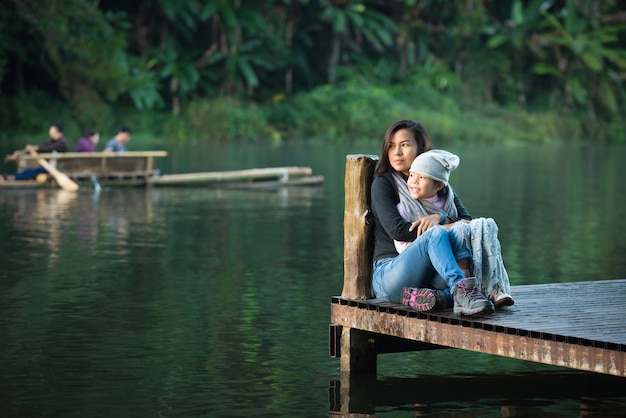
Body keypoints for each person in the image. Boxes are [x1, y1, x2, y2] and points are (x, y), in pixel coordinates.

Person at [370, 119, 494, 316]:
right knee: (436, 236)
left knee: (465, 244)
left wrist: (441, 218)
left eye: (405, 145)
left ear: (422, 148)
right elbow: (399, 231)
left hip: (428, 274)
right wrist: (442, 228)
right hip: (390, 273)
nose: (397, 153)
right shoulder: (384, 184)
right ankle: (460, 292)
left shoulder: (437, 183)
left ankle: (442, 296)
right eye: (391, 146)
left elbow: (467, 222)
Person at [394, 149, 514, 308]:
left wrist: (443, 220)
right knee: (457, 229)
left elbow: (467, 223)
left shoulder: (447, 201)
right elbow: (402, 247)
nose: (413, 181)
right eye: (411, 175)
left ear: (439, 185)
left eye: (421, 177)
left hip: (455, 266)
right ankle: (465, 292)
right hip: (430, 267)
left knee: (483, 224)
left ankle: (492, 288)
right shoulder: (405, 208)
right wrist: (447, 229)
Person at [0, 121, 69, 181]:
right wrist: (22, 152)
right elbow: (42, 147)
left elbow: (48, 148)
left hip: (54, 168)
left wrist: (35, 148)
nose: (50, 131)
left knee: (33, 171)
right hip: (48, 167)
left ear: (56, 129)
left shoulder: (62, 142)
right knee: (30, 170)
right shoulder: (51, 142)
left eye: (51, 129)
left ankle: (11, 178)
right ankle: (11, 177)